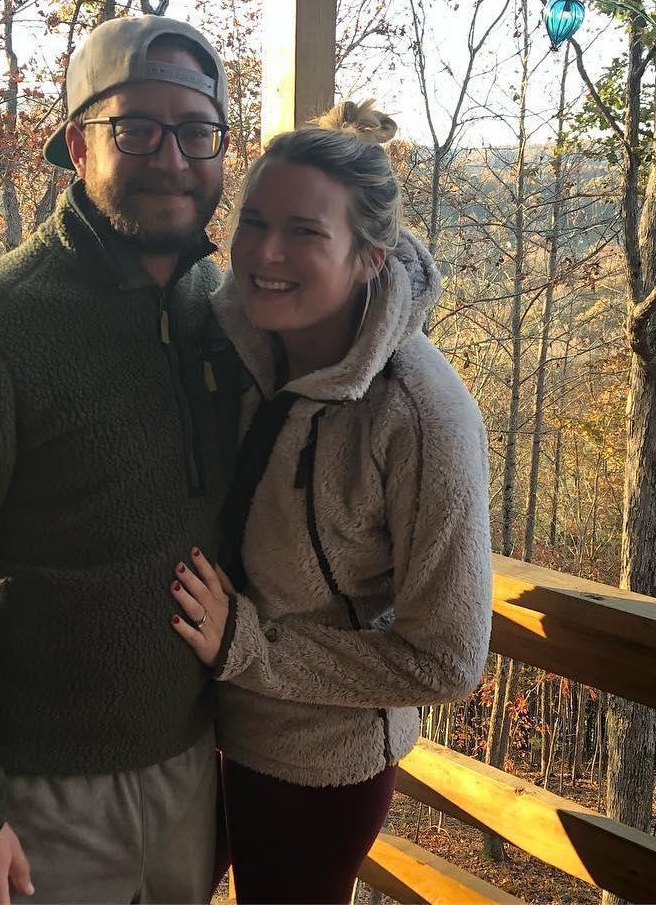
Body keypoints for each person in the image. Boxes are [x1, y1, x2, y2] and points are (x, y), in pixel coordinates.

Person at [0, 15, 242, 905]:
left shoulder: (223, 311)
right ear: (79, 146)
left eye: (196, 131)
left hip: (194, 771)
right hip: (43, 797)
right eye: (136, 129)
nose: (172, 158)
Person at [170, 100, 494, 904]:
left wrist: (247, 647)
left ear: (368, 258)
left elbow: (448, 659)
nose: (265, 253)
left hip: (315, 764)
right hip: (194, 726)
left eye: (306, 232)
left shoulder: (419, 415)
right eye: (254, 222)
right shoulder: (233, 341)